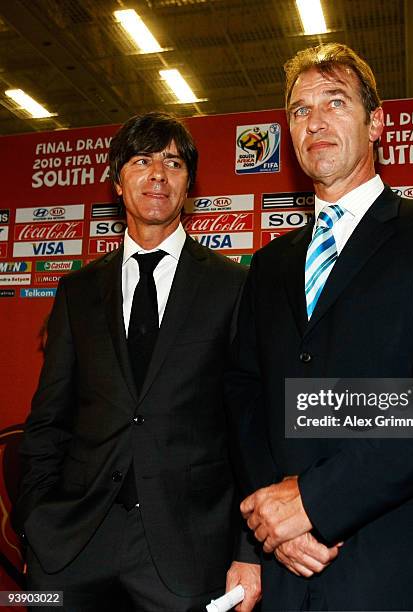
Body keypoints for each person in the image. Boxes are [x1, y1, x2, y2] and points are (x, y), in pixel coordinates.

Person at [226, 43, 413, 610]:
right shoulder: (270, 264)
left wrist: (315, 502)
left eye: (334, 102)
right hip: (286, 572)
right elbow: (246, 397)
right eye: (300, 110)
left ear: (376, 124)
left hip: (400, 572)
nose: (315, 122)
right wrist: (268, 521)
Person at [13, 112, 261, 611]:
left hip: (186, 550)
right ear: (116, 179)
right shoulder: (77, 291)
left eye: (172, 162)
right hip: (73, 547)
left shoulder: (232, 287)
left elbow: (250, 428)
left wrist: (247, 550)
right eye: (141, 160)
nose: (157, 174)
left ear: (188, 183)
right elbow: (48, 419)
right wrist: (34, 522)